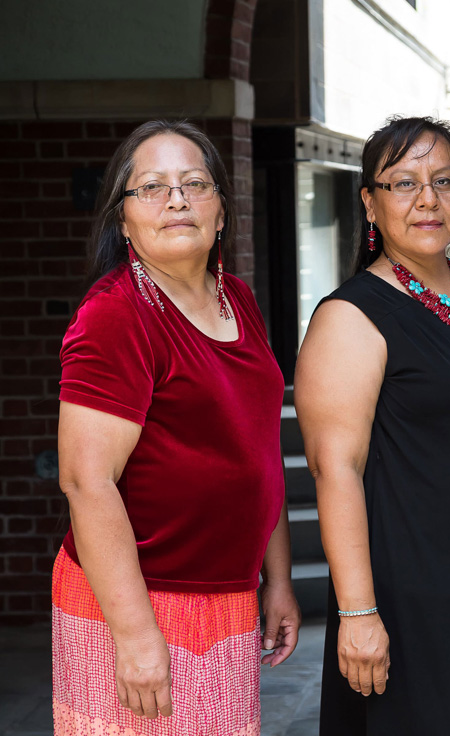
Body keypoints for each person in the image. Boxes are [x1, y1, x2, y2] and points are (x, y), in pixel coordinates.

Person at [295, 116, 450, 735]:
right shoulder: (351, 316)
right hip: (413, 598)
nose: (428, 199)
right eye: (404, 183)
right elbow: (337, 470)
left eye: (444, 180)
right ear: (370, 203)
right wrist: (357, 612)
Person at [54, 120, 300, 735]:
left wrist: (278, 579)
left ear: (221, 212)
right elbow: (87, 481)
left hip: (229, 599)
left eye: (195, 184)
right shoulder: (115, 316)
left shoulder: (236, 298)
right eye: (152, 188)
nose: (177, 199)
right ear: (122, 220)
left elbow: (258, 451)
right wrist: (135, 636)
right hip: (136, 600)